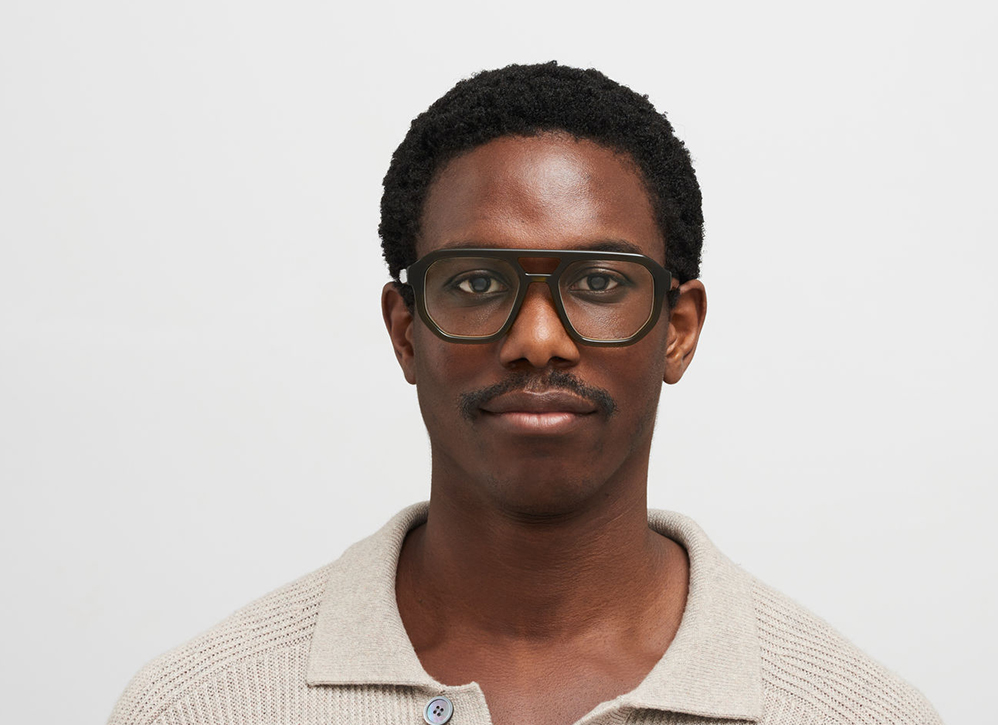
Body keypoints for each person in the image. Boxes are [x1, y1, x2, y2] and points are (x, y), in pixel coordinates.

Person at [108, 62, 942, 725]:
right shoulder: (200, 707)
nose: (538, 339)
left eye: (599, 281)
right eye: (476, 282)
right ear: (406, 331)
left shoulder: (857, 714)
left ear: (678, 329)